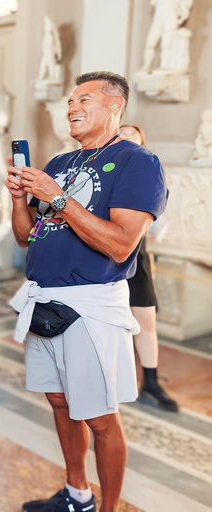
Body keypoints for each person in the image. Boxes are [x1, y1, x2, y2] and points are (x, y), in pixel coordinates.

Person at [7, 72, 168, 512]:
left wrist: (58, 198)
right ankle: (78, 494)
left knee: (98, 416)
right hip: (43, 299)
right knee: (60, 402)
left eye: (85, 99)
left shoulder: (138, 162)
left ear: (115, 106)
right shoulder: (59, 162)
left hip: (90, 305)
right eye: (71, 99)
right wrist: (21, 197)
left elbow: (120, 242)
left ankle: (109, 508)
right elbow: (25, 237)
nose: (72, 106)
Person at [119, 124, 179, 412]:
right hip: (103, 255)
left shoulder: (149, 168)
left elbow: (158, 215)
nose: (129, 136)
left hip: (136, 257)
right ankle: (117, 378)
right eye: (123, 132)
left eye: (134, 134)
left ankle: (151, 382)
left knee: (146, 321)